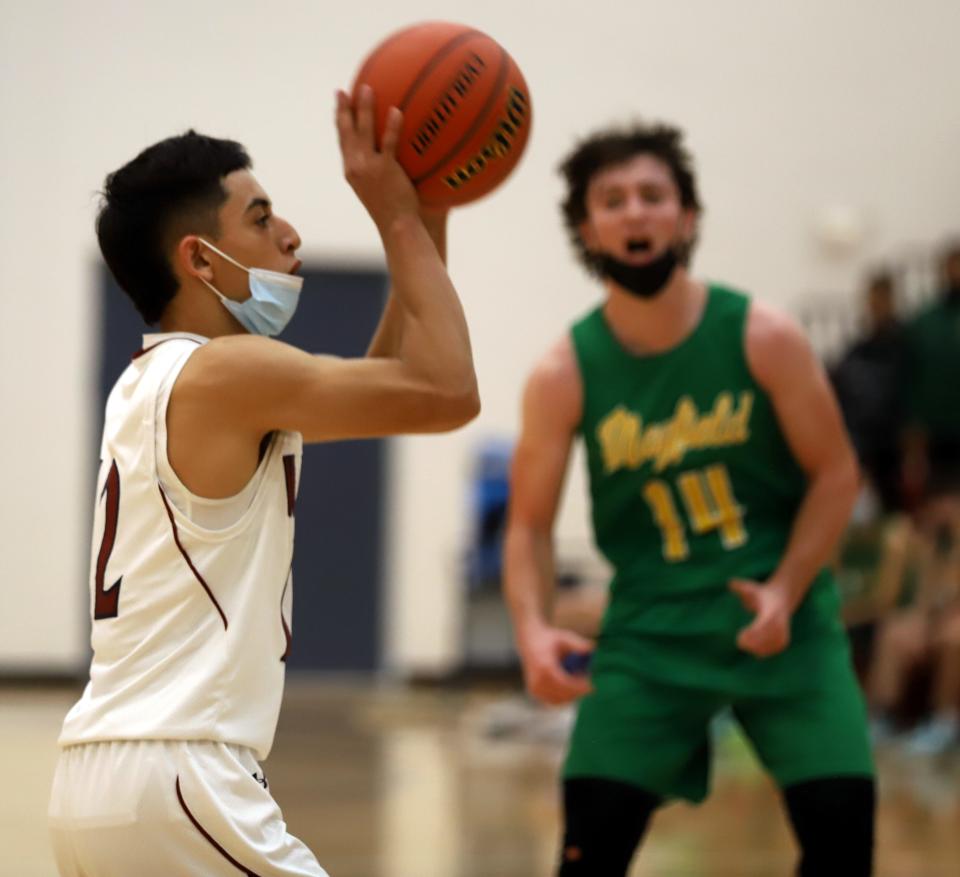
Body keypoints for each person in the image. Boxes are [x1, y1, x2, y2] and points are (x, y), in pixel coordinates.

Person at [48, 86, 479, 877]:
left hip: (98, 776)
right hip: (180, 776)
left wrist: (428, 219)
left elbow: (390, 381)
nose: (289, 234)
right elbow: (448, 391)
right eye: (259, 217)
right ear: (199, 258)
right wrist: (395, 219)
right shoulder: (226, 372)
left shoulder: (154, 379)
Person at [503, 123, 875, 876]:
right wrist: (534, 630)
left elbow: (837, 473)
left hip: (783, 626)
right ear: (587, 229)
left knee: (842, 844)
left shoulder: (763, 335)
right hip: (650, 636)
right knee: (588, 851)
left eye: (652, 195)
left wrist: (785, 588)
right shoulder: (563, 372)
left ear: (688, 218)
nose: (635, 212)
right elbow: (529, 524)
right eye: (613, 200)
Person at [830, 270, 907, 515]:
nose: (875, 306)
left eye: (881, 299)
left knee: (897, 502)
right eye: (872, 300)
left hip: (894, 436)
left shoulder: (906, 343)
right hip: (863, 435)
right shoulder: (859, 349)